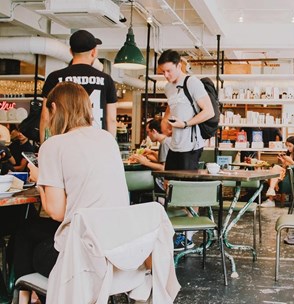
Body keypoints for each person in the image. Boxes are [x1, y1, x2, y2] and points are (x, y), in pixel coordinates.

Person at [12, 82, 129, 304]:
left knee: (25, 236)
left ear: (54, 108)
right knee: (31, 231)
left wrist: (39, 180)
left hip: (82, 259)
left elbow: (57, 212)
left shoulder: (54, 145)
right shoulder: (107, 139)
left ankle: (27, 296)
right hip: (115, 249)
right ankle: (32, 296)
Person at [40, 30, 117, 143]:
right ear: (94, 52)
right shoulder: (106, 80)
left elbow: (45, 117)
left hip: (64, 142)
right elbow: (111, 119)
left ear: (71, 52)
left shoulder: (55, 77)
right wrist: (110, 146)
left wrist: (44, 146)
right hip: (96, 142)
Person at [157, 49, 214, 170]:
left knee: (185, 186)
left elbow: (209, 111)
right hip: (174, 144)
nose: (166, 75)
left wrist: (185, 124)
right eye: (163, 72)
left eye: (169, 71)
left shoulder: (192, 83)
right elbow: (172, 104)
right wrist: (165, 119)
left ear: (179, 66)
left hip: (191, 146)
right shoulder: (168, 87)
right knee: (169, 182)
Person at [261, 136, 294, 207]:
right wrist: (283, 161)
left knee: (274, 174)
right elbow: (285, 167)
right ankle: (271, 192)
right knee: (275, 169)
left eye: (290, 146)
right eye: (287, 146)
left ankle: (271, 197)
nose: (288, 148)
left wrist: (290, 160)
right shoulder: (289, 154)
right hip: (287, 174)